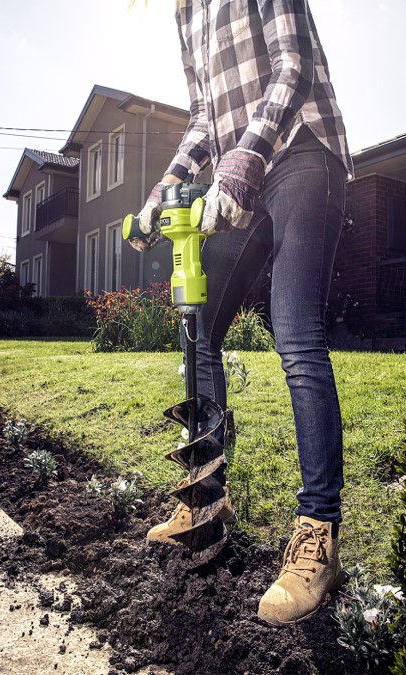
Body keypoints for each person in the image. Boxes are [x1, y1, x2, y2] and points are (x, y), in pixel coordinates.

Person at [130, 0, 353, 626]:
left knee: (296, 330)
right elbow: (204, 115)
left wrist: (245, 157)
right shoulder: (184, 13)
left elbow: (294, 68)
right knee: (198, 328)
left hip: (305, 151)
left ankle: (319, 534)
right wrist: (165, 187)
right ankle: (206, 496)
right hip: (241, 176)